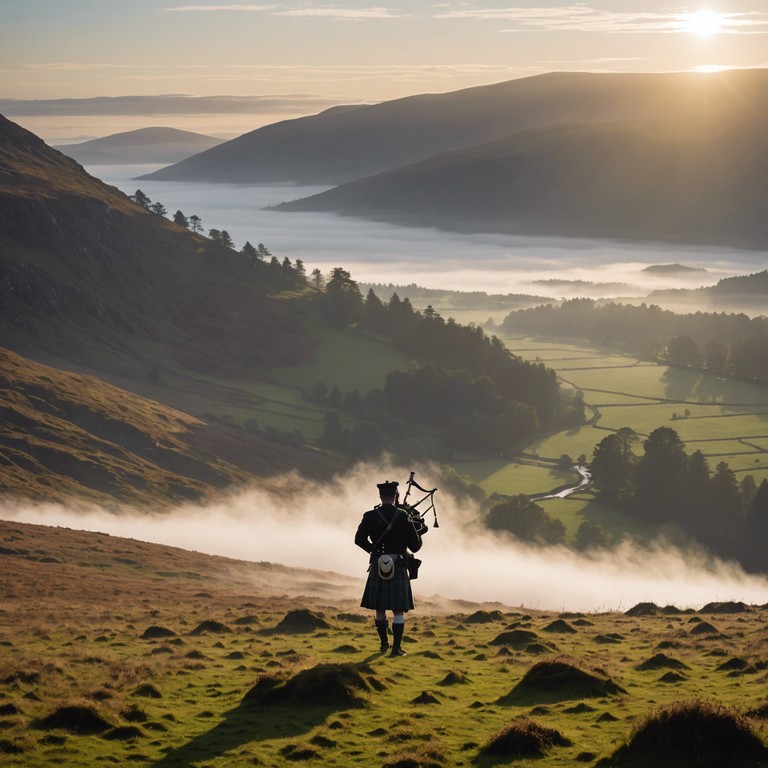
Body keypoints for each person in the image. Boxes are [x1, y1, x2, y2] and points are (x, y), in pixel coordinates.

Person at [355, 480, 423, 656]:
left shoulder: (369, 516)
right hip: (399, 563)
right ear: (395, 496)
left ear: (380, 495)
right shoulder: (403, 516)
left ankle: (384, 644)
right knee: (398, 609)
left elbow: (359, 540)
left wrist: (375, 551)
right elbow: (415, 546)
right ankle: (396, 649)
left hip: (378, 564)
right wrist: (418, 531)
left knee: (379, 608)